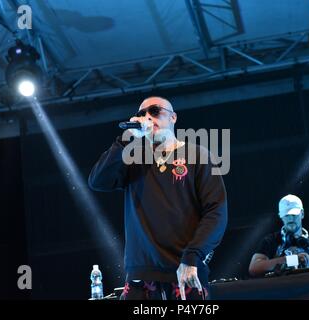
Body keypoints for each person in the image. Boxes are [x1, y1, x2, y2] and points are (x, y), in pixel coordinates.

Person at [88, 96, 228, 300]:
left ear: (173, 117)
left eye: (154, 111)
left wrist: (193, 256)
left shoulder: (198, 155)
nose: (147, 117)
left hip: (185, 271)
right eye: (141, 114)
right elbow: (97, 181)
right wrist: (127, 138)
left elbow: (217, 211)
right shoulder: (132, 157)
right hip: (140, 277)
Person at [248, 194, 309, 277]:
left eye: (294, 214)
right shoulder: (271, 240)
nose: (290, 219)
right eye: (286, 215)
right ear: (280, 216)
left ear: (302, 213)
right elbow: (254, 268)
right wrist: (291, 260)